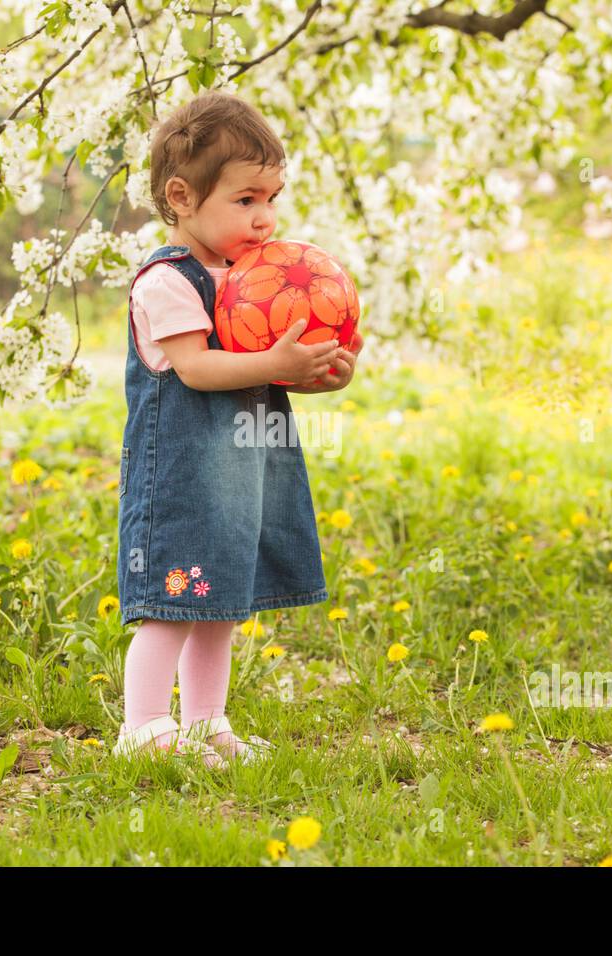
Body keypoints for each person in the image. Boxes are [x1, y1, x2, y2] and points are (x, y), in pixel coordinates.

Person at [114, 90, 364, 768]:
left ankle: (204, 721)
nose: (265, 218)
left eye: (272, 199)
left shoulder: (254, 281)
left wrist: (317, 371)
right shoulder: (167, 281)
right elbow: (195, 368)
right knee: (173, 600)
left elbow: (259, 370)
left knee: (222, 600)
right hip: (182, 479)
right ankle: (141, 727)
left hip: (237, 476)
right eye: (247, 199)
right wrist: (273, 359)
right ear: (182, 196)